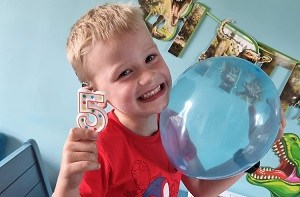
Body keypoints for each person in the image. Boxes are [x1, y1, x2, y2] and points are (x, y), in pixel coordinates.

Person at [53, 3, 285, 197]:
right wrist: (67, 187)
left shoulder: (174, 124)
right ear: (94, 92)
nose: (148, 76)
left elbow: (200, 188)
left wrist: (251, 153)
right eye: (124, 73)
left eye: (151, 57)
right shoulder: (98, 149)